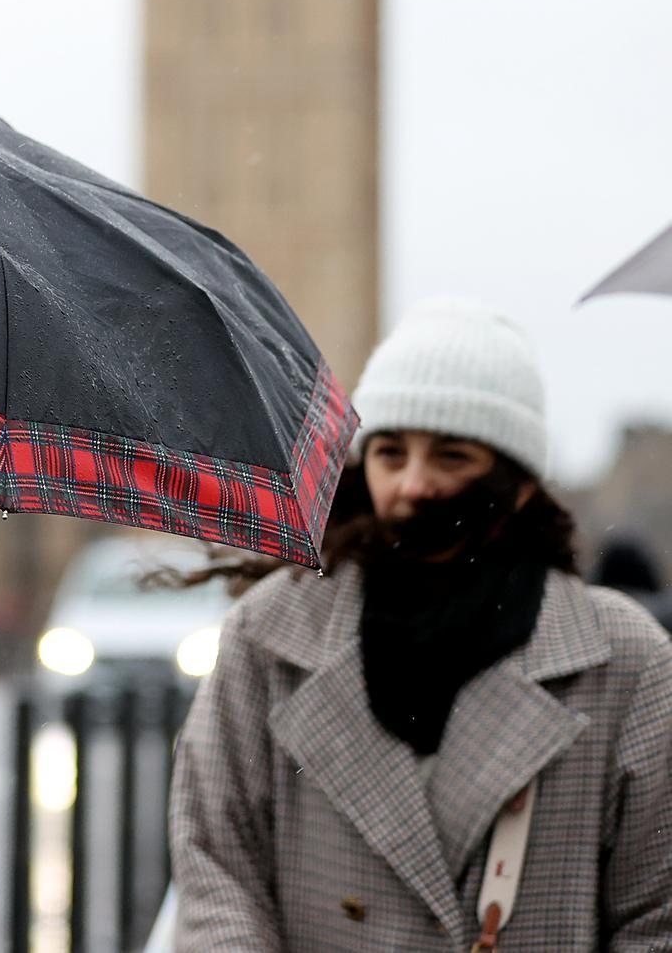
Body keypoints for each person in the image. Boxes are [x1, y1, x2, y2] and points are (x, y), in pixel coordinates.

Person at [170, 299, 672, 949]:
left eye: (451, 456)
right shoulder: (266, 637)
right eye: (388, 452)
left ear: (520, 484)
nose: (413, 484)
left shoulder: (626, 661)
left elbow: (655, 917)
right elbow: (215, 868)